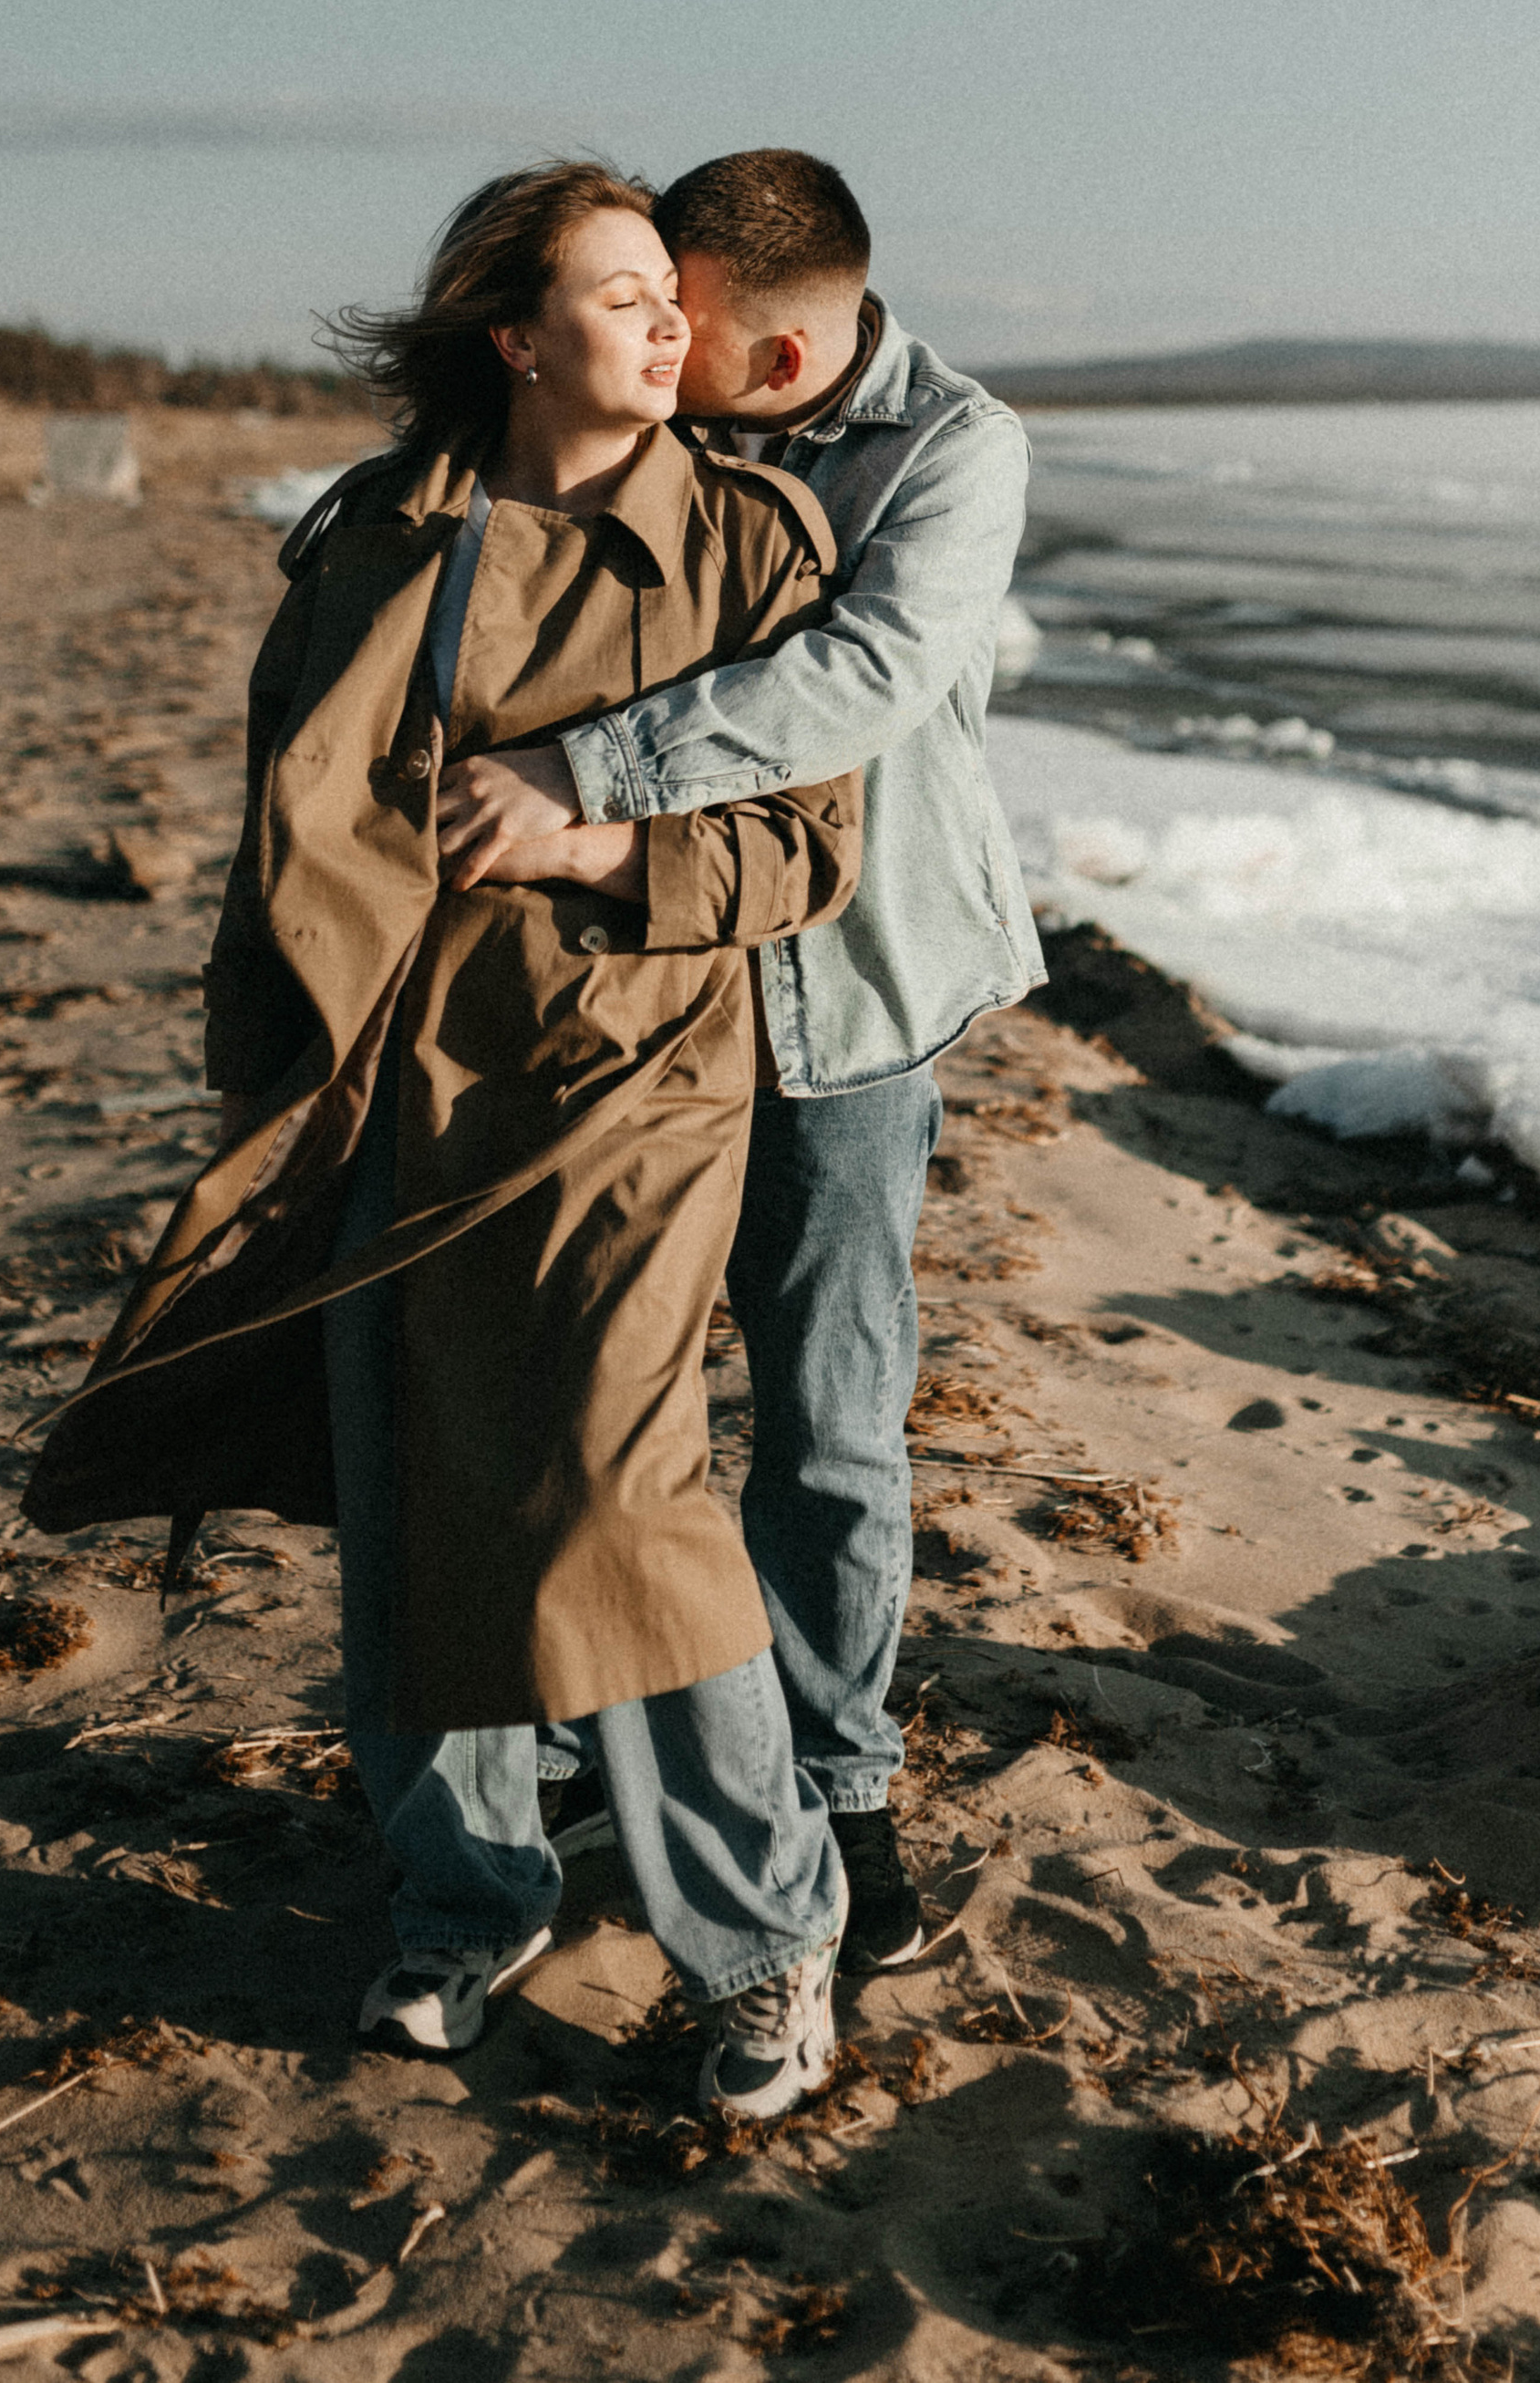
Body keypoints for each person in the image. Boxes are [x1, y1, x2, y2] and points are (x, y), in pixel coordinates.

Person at [25, 160, 866, 2123]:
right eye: (626, 296)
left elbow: (810, 847)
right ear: (512, 336)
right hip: (387, 1080)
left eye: (672, 297)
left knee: (613, 1497)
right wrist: (257, 1076)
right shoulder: (378, 537)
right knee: (409, 1487)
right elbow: (271, 831)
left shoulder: (752, 545)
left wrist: (588, 840)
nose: (674, 330)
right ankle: (461, 1901)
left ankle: (761, 1938)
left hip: (631, 1088)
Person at [435, 149, 1044, 1970]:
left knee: (828, 1419)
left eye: (673, 321)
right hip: (627, 987)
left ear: (773, 362)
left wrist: (587, 777)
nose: (645, 337)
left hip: (845, 997)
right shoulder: (638, 420)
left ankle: (839, 1786)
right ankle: (561, 1747)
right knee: (586, 1392)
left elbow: (857, 671)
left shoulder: (953, 451)